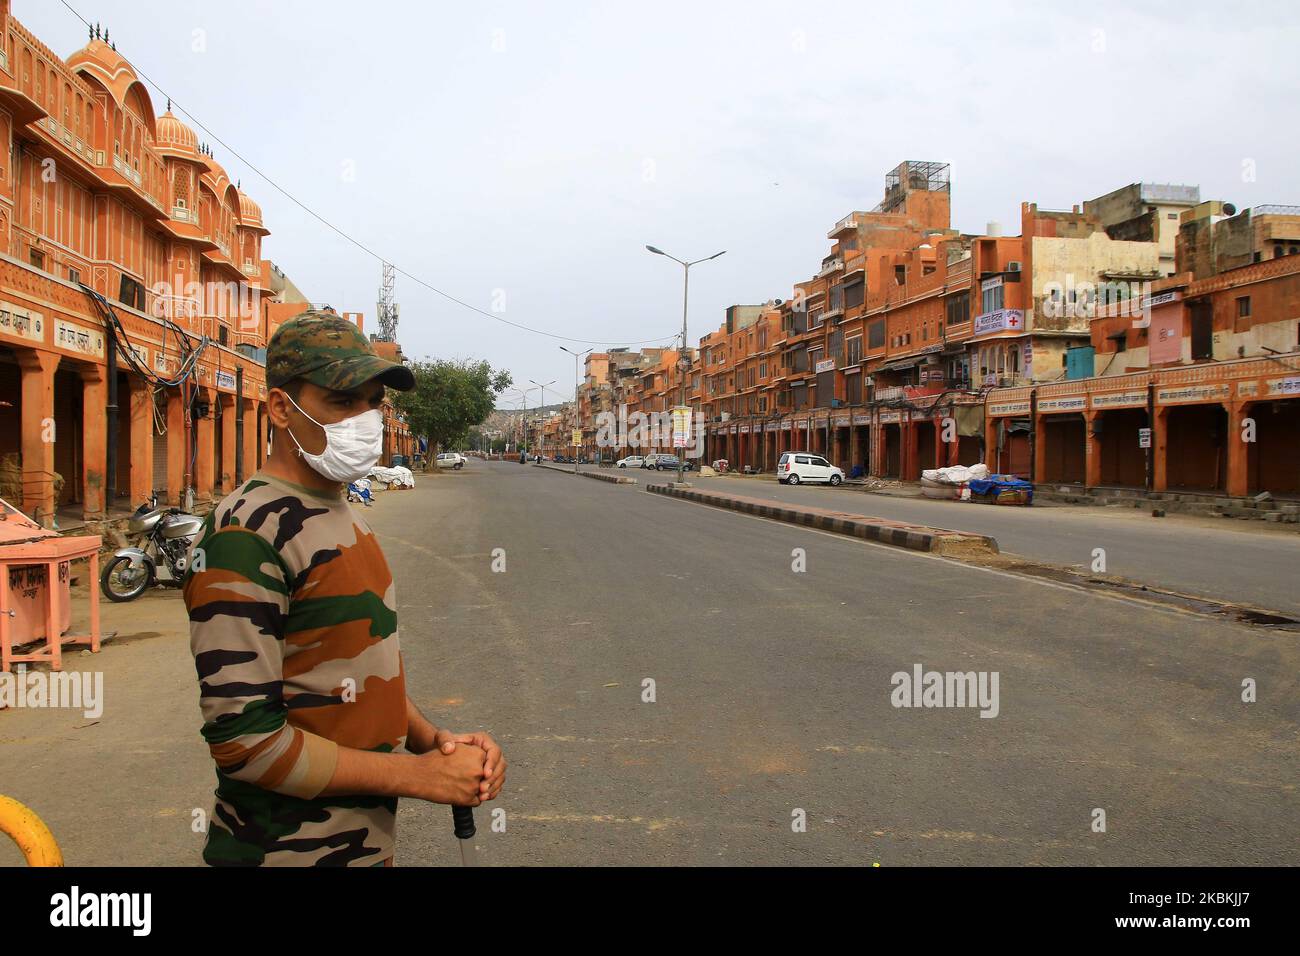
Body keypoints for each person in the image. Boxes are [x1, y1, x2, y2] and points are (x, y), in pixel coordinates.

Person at [183, 311, 505, 866]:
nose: (363, 419)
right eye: (341, 401)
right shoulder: (247, 533)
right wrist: (419, 775)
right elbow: (247, 742)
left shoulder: (342, 510)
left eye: (371, 402)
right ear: (281, 407)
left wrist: (436, 741)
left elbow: (350, 669)